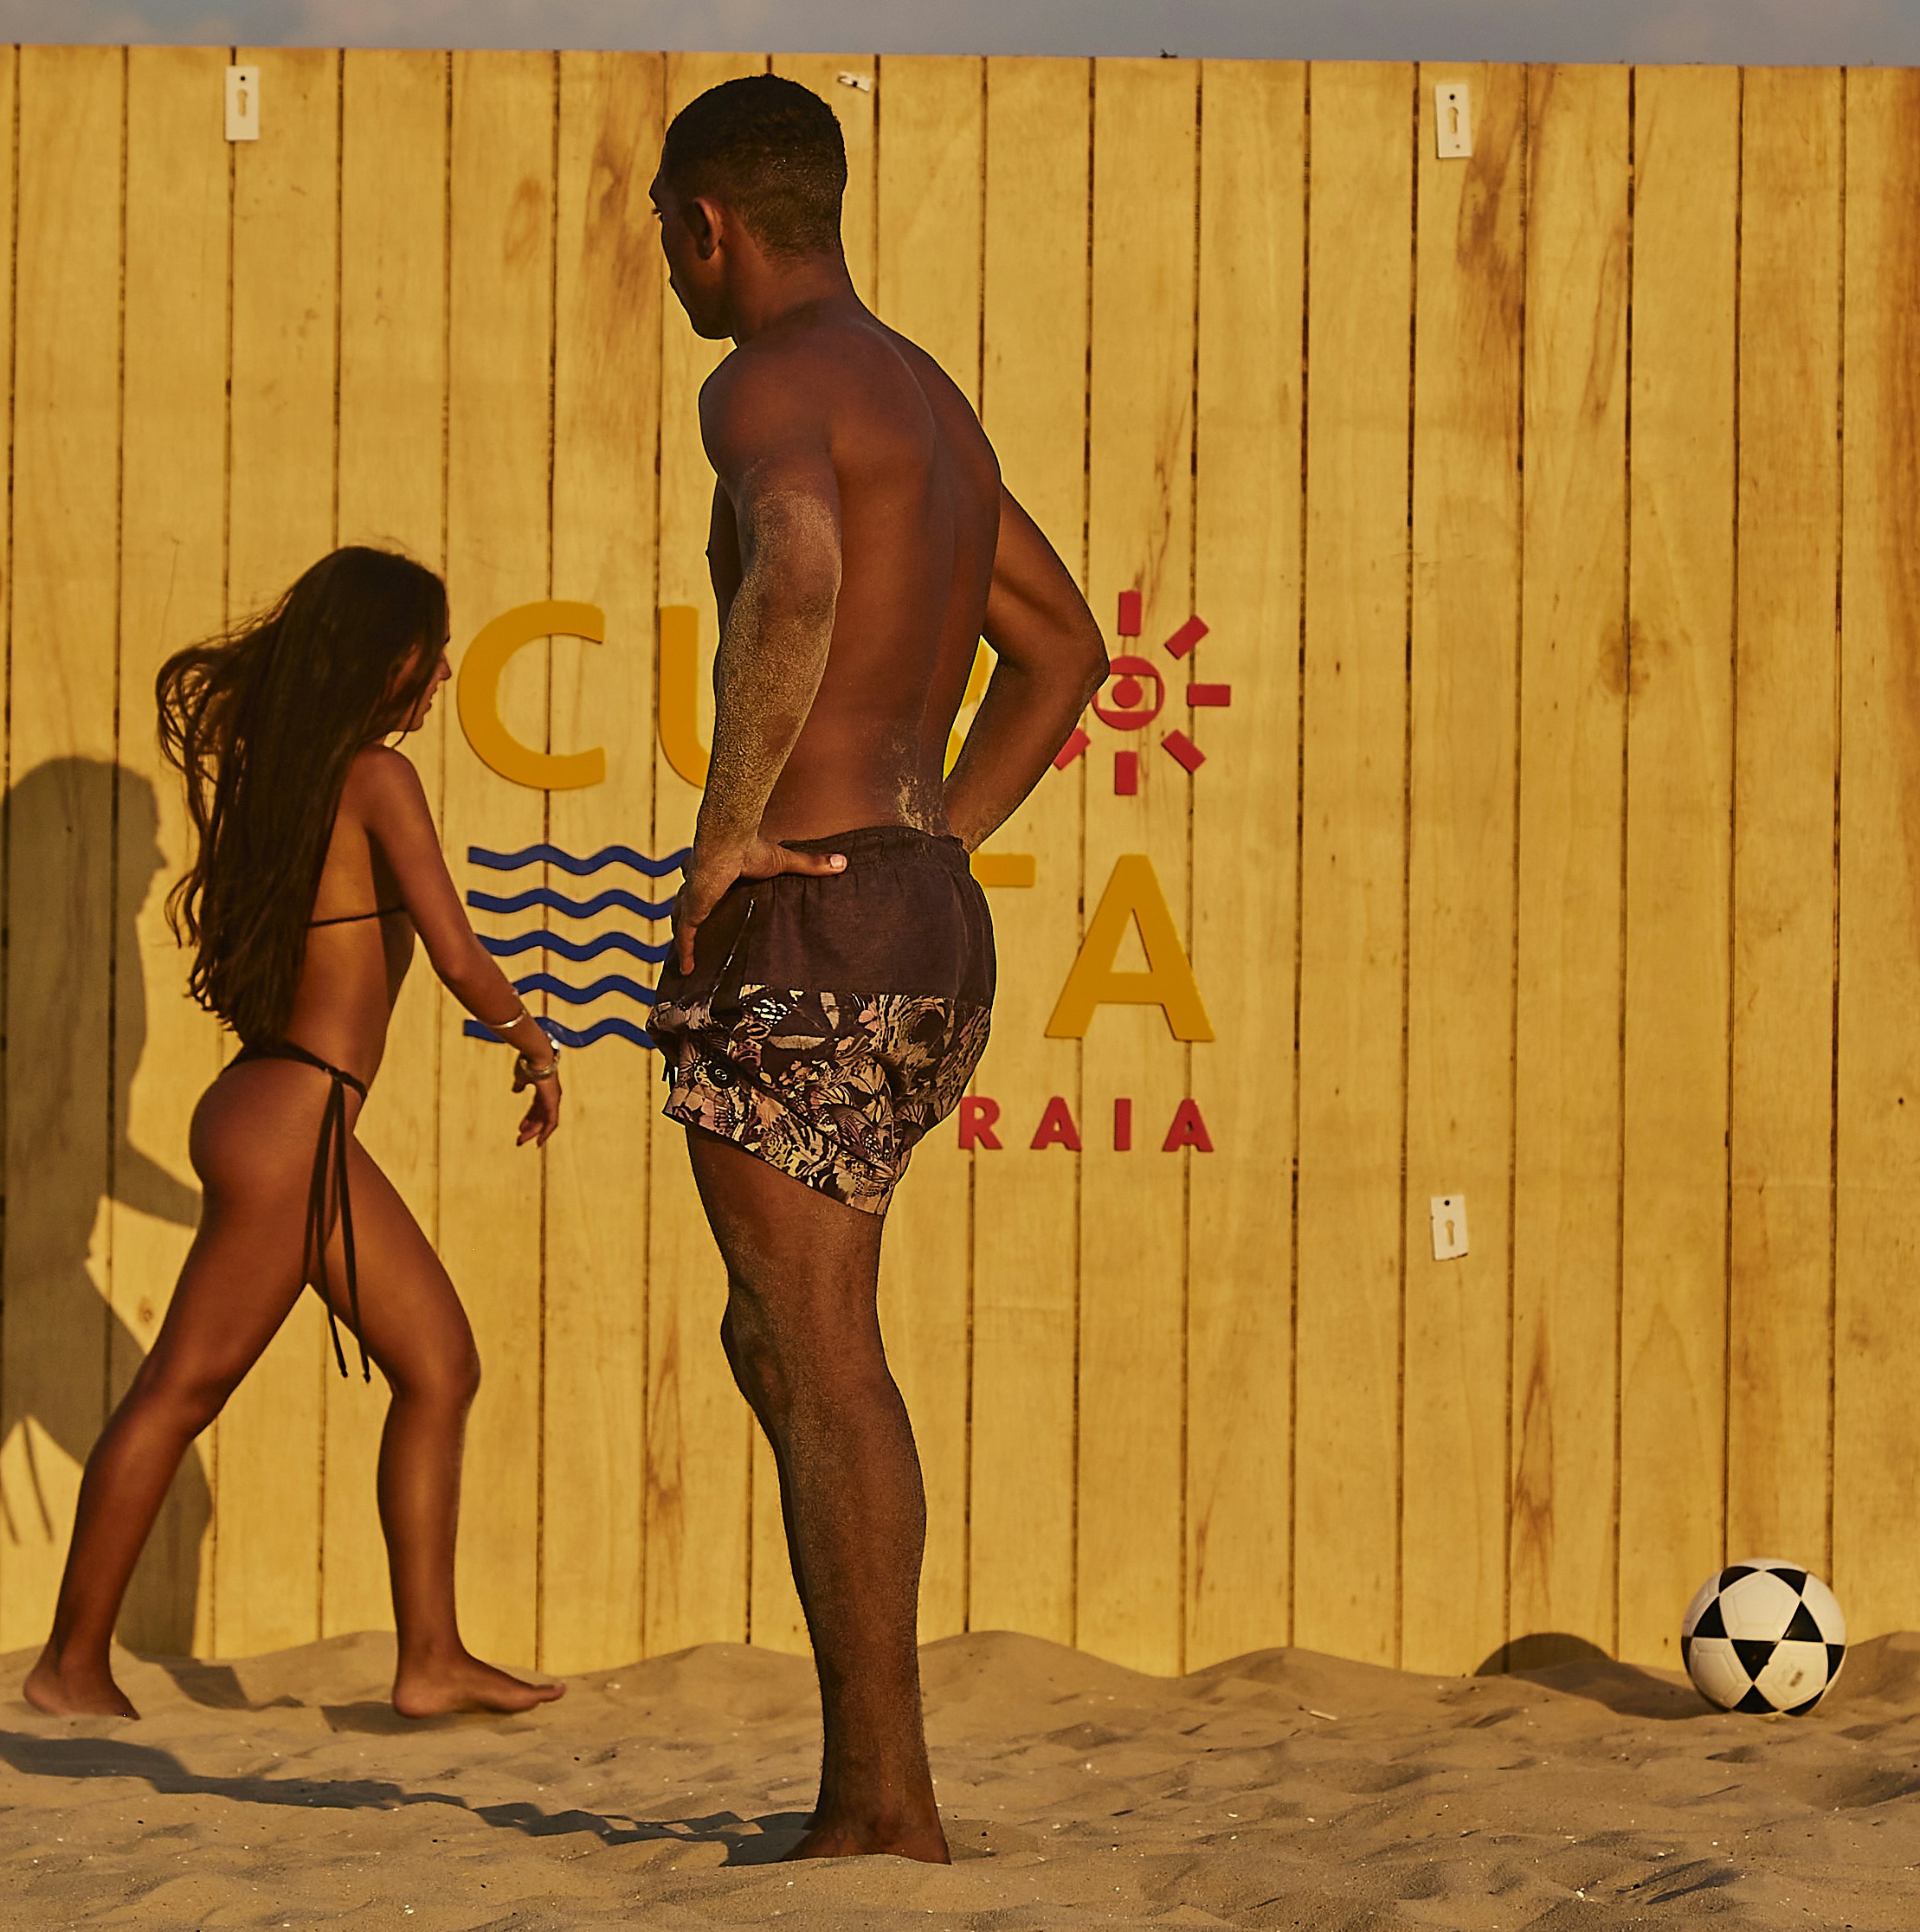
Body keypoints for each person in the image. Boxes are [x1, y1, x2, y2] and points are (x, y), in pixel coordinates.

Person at [643, 75, 1108, 1862]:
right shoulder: (931, 402)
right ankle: (873, 1782)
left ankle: (879, 1802)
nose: (669, 269)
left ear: (710, 226)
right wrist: (936, 839)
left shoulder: (764, 381)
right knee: (784, 1340)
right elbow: (1060, 654)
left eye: (666, 238)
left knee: (818, 1348)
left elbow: (798, 571)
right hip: (920, 911)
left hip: (811, 916)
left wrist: (724, 831)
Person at [23, 545, 569, 1722]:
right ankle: (70, 1667)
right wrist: (533, 1043)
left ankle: (430, 1658)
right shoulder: (375, 779)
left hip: (285, 1115)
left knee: (437, 1363)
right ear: (392, 663)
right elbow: (460, 948)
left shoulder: (287, 772)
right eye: (432, 654)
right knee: (181, 1389)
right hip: (296, 1118)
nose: (441, 676)